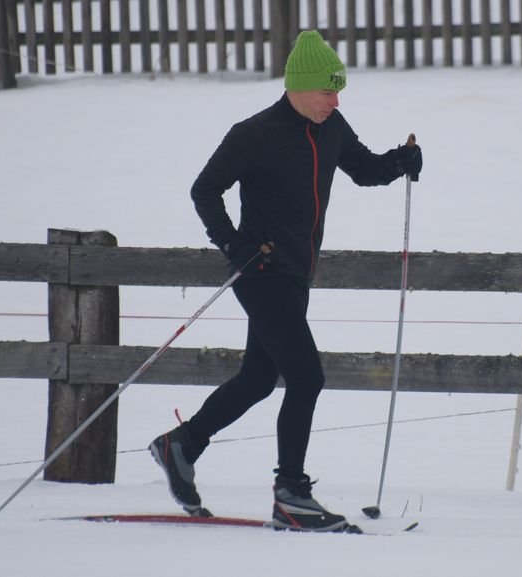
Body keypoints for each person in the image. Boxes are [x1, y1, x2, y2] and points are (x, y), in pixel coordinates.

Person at [148, 30, 422, 532]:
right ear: (298, 87)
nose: (334, 101)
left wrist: (398, 163)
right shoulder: (254, 133)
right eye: (326, 91)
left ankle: (182, 443)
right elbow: (205, 190)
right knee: (306, 377)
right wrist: (234, 245)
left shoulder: (331, 126)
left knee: (257, 379)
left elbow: (363, 170)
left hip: (297, 274)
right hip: (261, 271)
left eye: (339, 92)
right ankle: (291, 494)